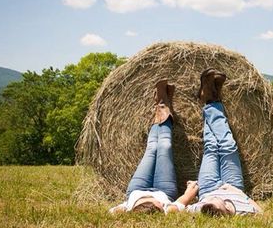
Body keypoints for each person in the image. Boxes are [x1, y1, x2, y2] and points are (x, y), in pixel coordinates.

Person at [109, 80, 198, 214]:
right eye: (162, 205)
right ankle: (163, 104)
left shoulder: (124, 210)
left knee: (152, 148)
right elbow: (185, 199)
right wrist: (192, 188)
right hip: (165, 189)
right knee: (164, 146)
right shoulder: (168, 209)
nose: (162, 204)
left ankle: (161, 105)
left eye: (160, 204)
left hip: (137, 188)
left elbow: (111, 212)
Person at [185, 68, 263, 216]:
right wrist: (237, 193)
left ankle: (211, 99)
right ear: (227, 210)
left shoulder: (201, 209)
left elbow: (176, 208)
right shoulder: (241, 211)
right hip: (233, 186)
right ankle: (211, 99)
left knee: (211, 146)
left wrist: (189, 192)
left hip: (208, 187)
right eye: (219, 202)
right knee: (229, 146)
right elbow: (261, 212)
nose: (216, 198)